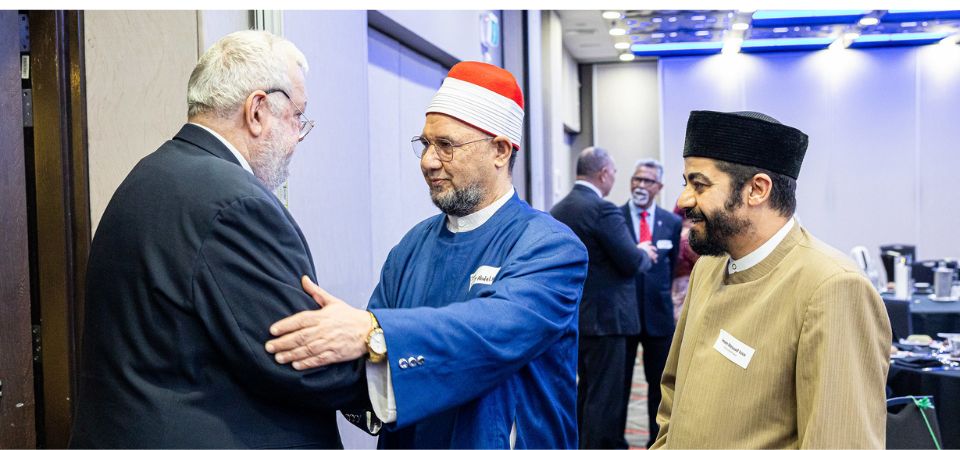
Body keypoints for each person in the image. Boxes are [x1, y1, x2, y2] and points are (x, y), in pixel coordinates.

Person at [265, 61, 589, 448]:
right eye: (425, 144)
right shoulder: (411, 247)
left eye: (446, 146)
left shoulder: (550, 246)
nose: (428, 161)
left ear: (500, 150)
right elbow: (366, 364)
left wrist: (372, 333)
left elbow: (493, 329)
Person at [69, 31, 366, 448]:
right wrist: (383, 345)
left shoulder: (149, 176)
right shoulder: (237, 203)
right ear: (258, 110)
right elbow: (296, 357)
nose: (299, 137)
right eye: (298, 117)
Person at [651, 110, 891, 448]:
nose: (683, 199)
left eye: (699, 184)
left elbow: (840, 440)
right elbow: (673, 396)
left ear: (757, 190)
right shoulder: (708, 266)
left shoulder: (833, 287)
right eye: (685, 182)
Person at [550, 147, 657, 449]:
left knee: (585, 392)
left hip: (575, 318)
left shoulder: (558, 210)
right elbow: (630, 261)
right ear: (604, 174)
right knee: (605, 399)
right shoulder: (603, 210)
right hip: (609, 321)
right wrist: (645, 254)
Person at [618, 158, 681, 449]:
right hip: (624, 316)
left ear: (659, 187)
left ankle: (656, 443)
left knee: (660, 387)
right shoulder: (614, 218)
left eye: (648, 181)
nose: (641, 185)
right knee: (618, 386)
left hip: (659, 317)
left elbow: (671, 268)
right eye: (637, 179)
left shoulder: (672, 223)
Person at [670, 204, 699, 322]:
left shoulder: (672, 232)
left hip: (673, 285)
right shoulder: (689, 237)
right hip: (687, 284)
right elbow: (700, 263)